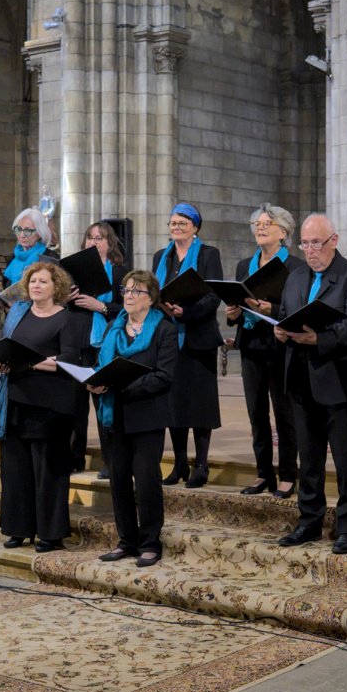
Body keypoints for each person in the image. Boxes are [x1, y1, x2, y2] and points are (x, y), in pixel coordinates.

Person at [274, 214, 347, 554]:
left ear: (334, 240)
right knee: (309, 458)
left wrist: (319, 338)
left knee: (346, 460)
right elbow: (286, 315)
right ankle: (309, 521)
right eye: (304, 244)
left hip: (338, 381)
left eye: (316, 243)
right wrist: (280, 330)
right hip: (300, 380)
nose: (310, 251)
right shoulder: (295, 277)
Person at [88, 271, 179, 567]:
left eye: (136, 291)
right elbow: (101, 365)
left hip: (147, 415)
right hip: (113, 415)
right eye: (126, 290)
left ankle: (150, 542)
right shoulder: (114, 327)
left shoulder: (164, 329)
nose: (128, 296)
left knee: (147, 480)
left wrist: (122, 387)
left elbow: (164, 376)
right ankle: (126, 540)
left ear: (151, 299)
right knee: (119, 480)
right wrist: (96, 382)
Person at [0, 261, 86, 551]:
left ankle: (50, 533)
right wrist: (2, 362)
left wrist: (30, 362)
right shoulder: (19, 315)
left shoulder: (66, 319)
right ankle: (18, 528)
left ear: (55, 286)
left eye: (43, 281)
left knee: (48, 473)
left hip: (50, 406)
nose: (36, 286)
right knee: (16, 471)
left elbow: (69, 360)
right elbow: (8, 348)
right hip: (16, 402)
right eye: (33, 281)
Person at [224, 204, 304, 498]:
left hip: (281, 346)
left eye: (267, 223)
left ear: (283, 232)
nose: (260, 227)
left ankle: (288, 474)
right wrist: (233, 313)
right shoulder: (244, 265)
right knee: (256, 414)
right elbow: (237, 303)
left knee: (284, 413)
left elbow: (299, 308)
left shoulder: (295, 267)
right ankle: (263, 473)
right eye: (257, 223)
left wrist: (275, 309)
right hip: (251, 344)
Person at [153, 203, 224, 488]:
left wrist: (187, 312)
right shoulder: (162, 256)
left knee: (200, 404)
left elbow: (214, 295)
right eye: (173, 223)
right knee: (175, 404)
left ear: (195, 227)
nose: (177, 228)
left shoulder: (209, 254)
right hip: (169, 338)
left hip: (199, 337)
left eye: (183, 223)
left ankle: (202, 464)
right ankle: (180, 463)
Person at [68, 221, 128, 476]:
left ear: (110, 244)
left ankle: (110, 461)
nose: (93, 242)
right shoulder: (73, 272)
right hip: (77, 342)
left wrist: (100, 306)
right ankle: (74, 458)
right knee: (75, 404)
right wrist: (66, 297)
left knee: (104, 401)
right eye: (90, 237)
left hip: (105, 343)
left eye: (100, 238)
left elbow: (127, 308)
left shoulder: (120, 272)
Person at [0, 207, 59, 298]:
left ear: (39, 233)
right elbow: (8, 289)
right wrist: (0, 293)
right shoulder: (13, 257)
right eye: (19, 229)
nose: (22, 235)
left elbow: (56, 291)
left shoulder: (49, 257)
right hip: (12, 306)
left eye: (28, 231)